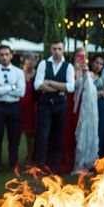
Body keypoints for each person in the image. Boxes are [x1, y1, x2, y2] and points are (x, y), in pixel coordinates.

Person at [34, 40, 75, 174]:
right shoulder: (43, 64)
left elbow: (70, 87)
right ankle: (40, 166)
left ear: (63, 50)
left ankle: (54, 168)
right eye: (54, 49)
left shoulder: (68, 66)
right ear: (50, 49)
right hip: (45, 104)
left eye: (59, 49)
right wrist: (59, 88)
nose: (56, 51)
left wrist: (50, 83)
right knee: (43, 136)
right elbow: (37, 85)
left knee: (58, 136)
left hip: (61, 106)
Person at [0, 45, 25, 172]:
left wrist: (2, 87)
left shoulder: (19, 72)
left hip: (14, 106)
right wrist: (11, 87)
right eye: (1, 54)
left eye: (6, 54)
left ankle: (13, 164)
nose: (4, 57)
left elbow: (21, 92)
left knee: (14, 137)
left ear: (11, 55)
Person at [68, 48, 99, 173]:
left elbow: (91, 91)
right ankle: (68, 161)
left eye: (84, 56)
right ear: (75, 57)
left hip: (84, 107)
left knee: (82, 132)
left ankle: (81, 161)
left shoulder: (89, 73)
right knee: (69, 132)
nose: (81, 59)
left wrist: (85, 74)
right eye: (79, 56)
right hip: (71, 103)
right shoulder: (70, 70)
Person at [19, 52, 39, 165]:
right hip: (21, 106)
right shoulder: (20, 73)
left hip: (32, 106)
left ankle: (30, 157)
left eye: (33, 60)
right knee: (18, 132)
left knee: (31, 134)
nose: (30, 62)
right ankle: (16, 158)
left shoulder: (37, 75)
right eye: (28, 59)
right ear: (24, 61)